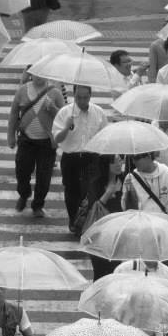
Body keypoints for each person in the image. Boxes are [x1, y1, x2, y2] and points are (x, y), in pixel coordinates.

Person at [7, 72, 64, 217]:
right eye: (36, 73)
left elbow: (64, 117)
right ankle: (24, 194)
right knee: (22, 170)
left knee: (44, 176)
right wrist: (11, 136)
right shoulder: (22, 90)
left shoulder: (55, 93)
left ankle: (38, 204)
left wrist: (53, 109)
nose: (39, 76)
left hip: (46, 143)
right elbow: (14, 113)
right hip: (26, 140)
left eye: (42, 73)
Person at [53, 84, 107, 229]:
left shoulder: (98, 112)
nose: (82, 101)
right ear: (74, 95)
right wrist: (66, 127)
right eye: (78, 97)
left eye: (85, 97)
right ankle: (73, 220)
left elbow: (104, 137)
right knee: (72, 191)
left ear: (90, 96)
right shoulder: (65, 113)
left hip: (91, 157)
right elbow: (56, 139)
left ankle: (88, 222)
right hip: (71, 158)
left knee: (91, 190)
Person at [122, 151, 168, 217]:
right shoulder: (130, 178)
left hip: (163, 223)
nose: (133, 162)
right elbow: (126, 208)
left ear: (148, 156)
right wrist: (128, 198)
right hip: (140, 224)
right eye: (131, 158)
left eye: (136, 158)